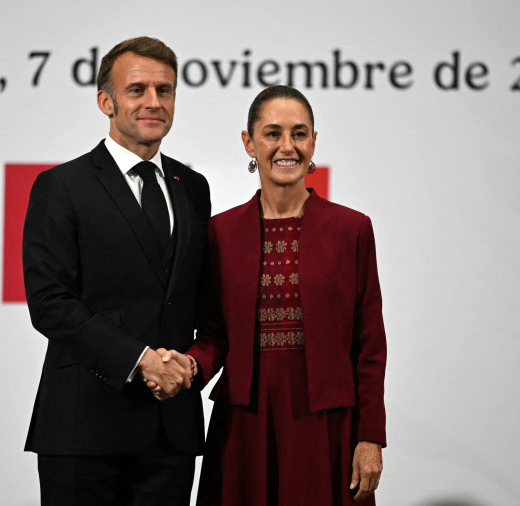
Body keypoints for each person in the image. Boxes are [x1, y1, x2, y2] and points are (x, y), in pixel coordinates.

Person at [158, 85, 387, 505]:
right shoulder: (220, 234)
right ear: (249, 143)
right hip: (245, 425)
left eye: (299, 134)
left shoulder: (351, 229)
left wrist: (370, 436)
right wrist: (189, 366)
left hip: (328, 427)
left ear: (314, 142)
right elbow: (214, 335)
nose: (287, 147)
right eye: (272, 133)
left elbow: (369, 344)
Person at [21, 36, 211, 506]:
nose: (153, 102)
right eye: (137, 89)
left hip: (170, 433)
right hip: (85, 429)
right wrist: (141, 360)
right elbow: (50, 303)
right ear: (106, 101)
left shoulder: (194, 189)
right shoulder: (61, 186)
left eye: (164, 90)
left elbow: (198, 298)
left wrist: (188, 367)